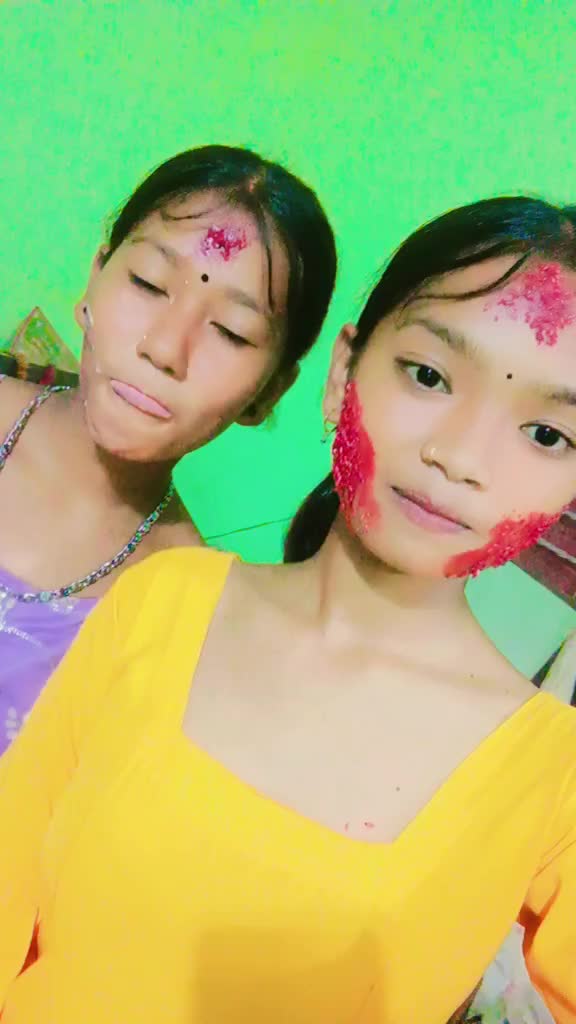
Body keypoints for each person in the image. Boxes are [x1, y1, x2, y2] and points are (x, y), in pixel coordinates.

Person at [1, 195, 576, 1024]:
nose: (458, 456)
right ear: (343, 374)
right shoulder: (161, 597)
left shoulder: (552, 775)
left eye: (548, 435)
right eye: (428, 375)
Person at [0, 143, 337, 752]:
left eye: (231, 331)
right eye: (148, 283)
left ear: (269, 391)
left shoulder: (192, 616)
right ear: (95, 277)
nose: (164, 348)